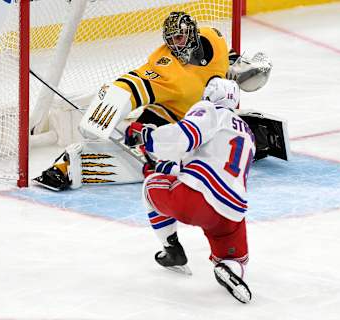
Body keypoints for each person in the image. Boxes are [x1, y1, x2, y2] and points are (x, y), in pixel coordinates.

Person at [36, 11, 271, 191]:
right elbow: (133, 83)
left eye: (179, 37)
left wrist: (246, 69)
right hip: (167, 121)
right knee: (156, 167)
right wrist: (107, 109)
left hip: (205, 121)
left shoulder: (214, 38)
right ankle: (67, 167)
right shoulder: (166, 66)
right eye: (170, 40)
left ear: (193, 34)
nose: (175, 45)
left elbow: (225, 61)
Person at [129, 78, 255, 303]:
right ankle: (230, 269)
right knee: (235, 258)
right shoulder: (248, 133)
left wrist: (147, 138)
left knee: (150, 184)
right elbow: (212, 158)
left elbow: (184, 136)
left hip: (196, 197)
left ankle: (172, 250)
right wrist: (171, 164)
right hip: (233, 211)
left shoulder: (210, 110)